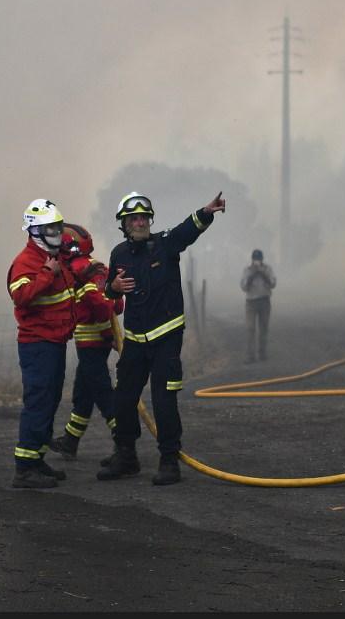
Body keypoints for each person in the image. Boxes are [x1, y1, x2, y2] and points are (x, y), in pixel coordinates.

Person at [98, 191, 226, 486]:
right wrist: (113, 287)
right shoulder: (118, 254)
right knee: (124, 398)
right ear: (124, 223)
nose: (140, 222)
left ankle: (169, 460)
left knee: (163, 399)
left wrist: (207, 211)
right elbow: (110, 291)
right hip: (134, 340)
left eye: (144, 217)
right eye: (134, 218)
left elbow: (187, 230)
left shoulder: (165, 244)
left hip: (166, 336)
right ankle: (126, 456)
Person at [6, 199, 77, 489]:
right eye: (50, 227)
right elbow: (21, 296)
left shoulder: (54, 257)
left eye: (58, 226)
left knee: (49, 400)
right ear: (35, 230)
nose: (56, 232)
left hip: (55, 340)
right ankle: (24, 469)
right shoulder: (27, 261)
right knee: (38, 402)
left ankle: (36, 458)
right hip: (38, 344)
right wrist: (47, 275)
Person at [48, 223, 122, 461]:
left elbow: (101, 305)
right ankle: (70, 441)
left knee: (102, 393)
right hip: (96, 342)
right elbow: (116, 303)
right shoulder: (95, 267)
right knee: (83, 393)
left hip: (91, 342)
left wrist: (105, 329)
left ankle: (123, 443)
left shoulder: (77, 269)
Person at [240, 248, 277, 363]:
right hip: (251, 302)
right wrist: (253, 274)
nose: (257, 261)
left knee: (263, 328)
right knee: (250, 328)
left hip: (264, 301)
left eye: (259, 259)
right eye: (255, 259)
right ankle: (250, 355)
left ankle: (262, 353)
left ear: (262, 260)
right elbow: (244, 287)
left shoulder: (267, 269)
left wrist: (262, 273)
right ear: (252, 260)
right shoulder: (247, 270)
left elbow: (272, 284)